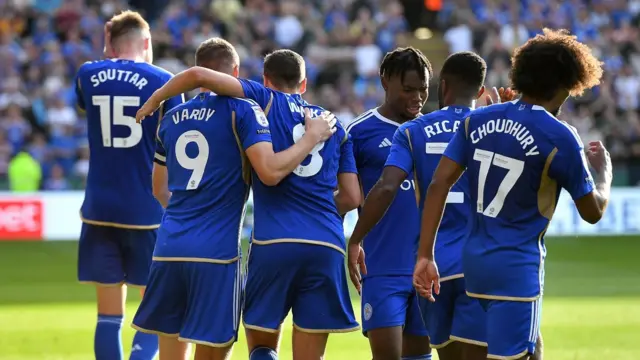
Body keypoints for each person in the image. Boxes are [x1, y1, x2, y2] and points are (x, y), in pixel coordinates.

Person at [136, 49, 362, 360]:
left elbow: (159, 188)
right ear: (305, 83)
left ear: (265, 80)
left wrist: (156, 99)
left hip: (266, 242)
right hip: (324, 243)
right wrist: (318, 212)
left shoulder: (260, 102)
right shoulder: (332, 124)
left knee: (262, 348)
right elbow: (352, 197)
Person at [413, 29, 609, 360]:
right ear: (567, 82)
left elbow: (438, 184)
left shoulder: (477, 120)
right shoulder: (560, 135)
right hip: (516, 270)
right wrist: (603, 174)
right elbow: (592, 212)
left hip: (474, 264)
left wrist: (424, 254)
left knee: (527, 350)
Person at [74, 11, 184, 360]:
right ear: (147, 42)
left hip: (98, 209)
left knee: (107, 316)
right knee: (152, 313)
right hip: (147, 210)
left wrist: (107, 50)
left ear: (110, 42)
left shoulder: (87, 75)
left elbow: (86, 102)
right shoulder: (166, 82)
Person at [343, 47, 432, 360]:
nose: (417, 98)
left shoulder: (431, 131)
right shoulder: (358, 132)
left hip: (428, 265)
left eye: (423, 89)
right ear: (385, 81)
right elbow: (345, 194)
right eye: (408, 90)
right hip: (381, 266)